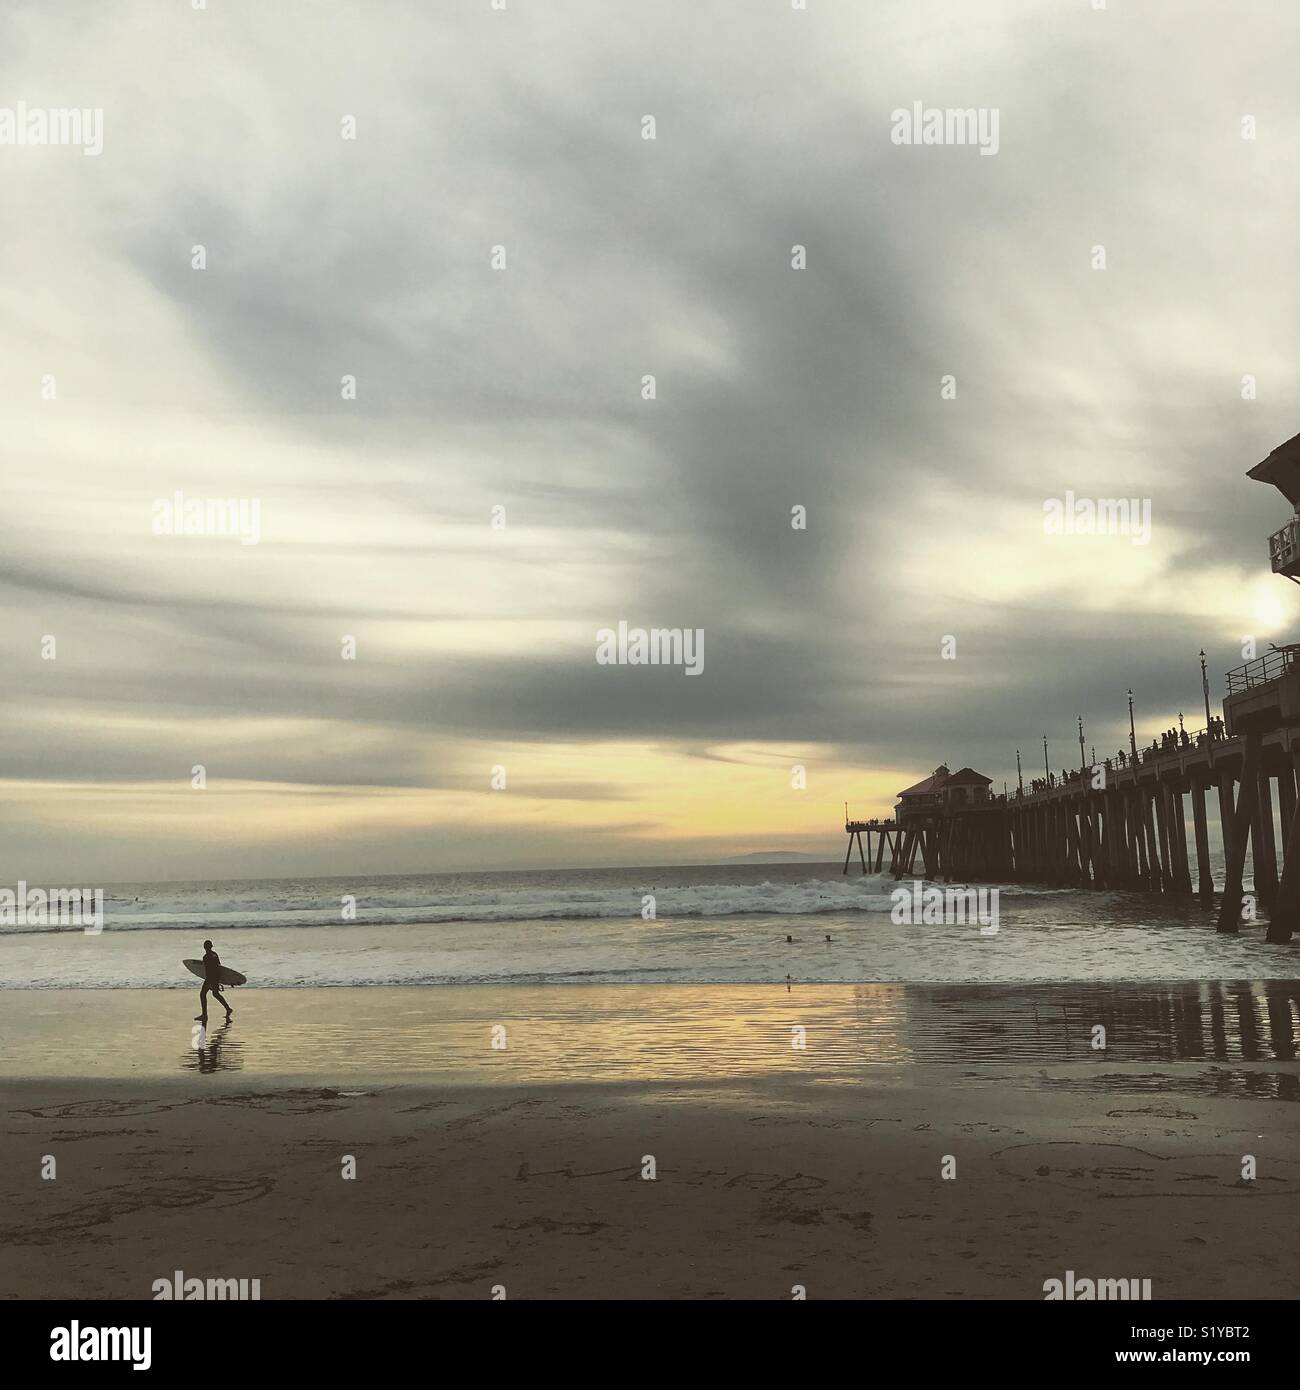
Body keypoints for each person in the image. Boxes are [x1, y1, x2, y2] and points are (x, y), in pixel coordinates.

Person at [195, 938, 233, 1023]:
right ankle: (228, 1008)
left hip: (210, 977)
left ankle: (204, 1015)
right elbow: (219, 967)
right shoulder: (215, 954)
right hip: (216, 977)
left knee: (202, 994)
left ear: (204, 947)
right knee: (215, 994)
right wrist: (219, 981)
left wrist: (210, 982)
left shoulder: (206, 957)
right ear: (211, 946)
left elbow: (208, 970)